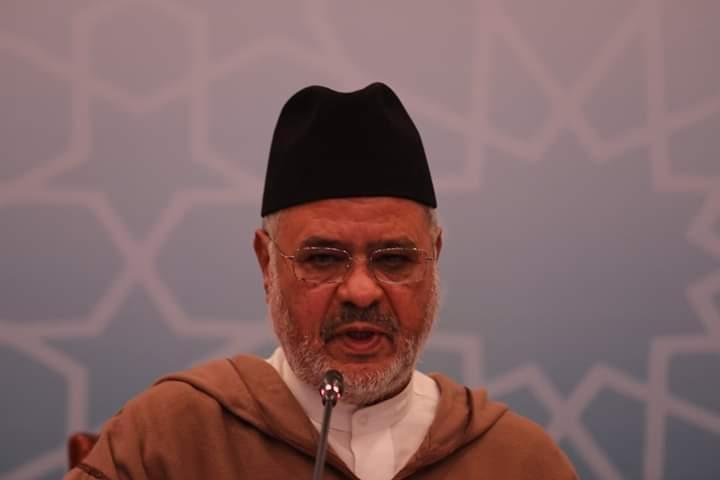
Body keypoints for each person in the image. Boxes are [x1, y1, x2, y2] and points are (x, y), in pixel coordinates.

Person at [65, 83, 577, 479]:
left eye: (394, 259)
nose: (361, 291)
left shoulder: (517, 460)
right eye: (324, 260)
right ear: (267, 265)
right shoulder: (171, 438)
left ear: (434, 260)